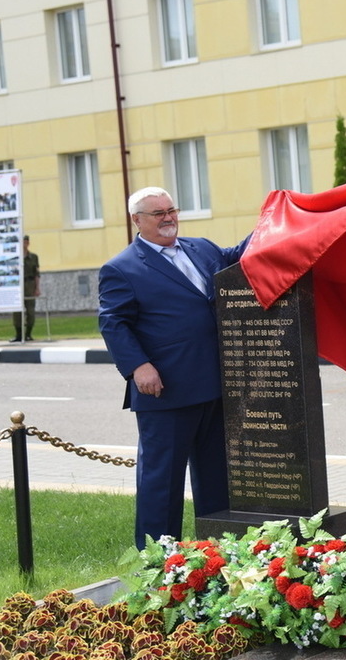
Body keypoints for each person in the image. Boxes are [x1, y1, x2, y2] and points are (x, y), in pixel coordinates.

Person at [98, 186, 249, 548]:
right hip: (166, 391)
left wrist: (275, 221)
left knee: (216, 477)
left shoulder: (201, 248)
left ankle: (216, 552)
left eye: (172, 210)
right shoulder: (122, 268)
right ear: (137, 220)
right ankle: (158, 562)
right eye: (158, 213)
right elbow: (113, 322)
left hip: (214, 385)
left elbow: (235, 255)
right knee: (161, 481)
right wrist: (138, 367)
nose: (168, 218)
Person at [11, 235, 39, 342]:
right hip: (18, 284)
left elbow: (36, 274)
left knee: (30, 311)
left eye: (26, 242)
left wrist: (37, 288)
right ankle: (18, 335)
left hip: (29, 284)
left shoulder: (33, 257)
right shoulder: (15, 257)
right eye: (22, 242)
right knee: (17, 311)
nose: (24, 244)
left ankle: (28, 334)